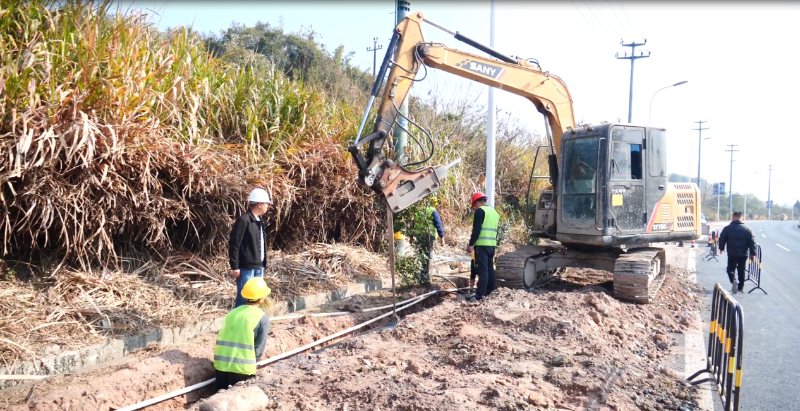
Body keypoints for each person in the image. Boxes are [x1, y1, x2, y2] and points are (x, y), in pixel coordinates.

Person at [213, 277, 271, 391]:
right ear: (261, 299)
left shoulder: (231, 314)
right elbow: (258, 350)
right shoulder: (261, 318)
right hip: (242, 369)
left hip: (220, 366)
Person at [229, 188, 271, 308]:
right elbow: (234, 244)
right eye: (266, 203)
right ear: (259, 205)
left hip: (259, 266)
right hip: (246, 267)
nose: (268, 206)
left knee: (257, 296)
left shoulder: (259, 220)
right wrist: (235, 266)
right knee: (244, 298)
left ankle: (253, 317)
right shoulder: (244, 220)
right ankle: (239, 318)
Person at [466, 192, 499, 302]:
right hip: (491, 245)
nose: (474, 208)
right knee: (490, 269)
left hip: (481, 245)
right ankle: (490, 291)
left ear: (476, 202)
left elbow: (476, 230)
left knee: (482, 270)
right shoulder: (494, 213)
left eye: (474, 206)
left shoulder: (480, 211)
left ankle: (479, 295)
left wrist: (471, 244)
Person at [718, 211, 757, 294]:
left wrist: (721, 248)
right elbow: (752, 242)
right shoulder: (747, 229)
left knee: (730, 269)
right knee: (741, 270)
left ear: (733, 218)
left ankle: (733, 280)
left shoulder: (727, 228)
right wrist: (753, 254)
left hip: (732, 253)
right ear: (742, 218)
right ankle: (741, 287)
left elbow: (722, 238)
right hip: (743, 254)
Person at [419, 198, 445, 283]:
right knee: (429, 256)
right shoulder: (432, 210)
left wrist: (411, 237)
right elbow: (438, 224)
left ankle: (422, 277)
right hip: (430, 236)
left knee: (421, 256)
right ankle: (427, 278)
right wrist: (442, 237)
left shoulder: (418, 210)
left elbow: (413, 223)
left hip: (419, 236)